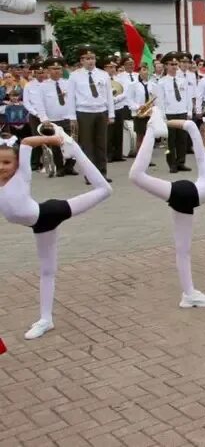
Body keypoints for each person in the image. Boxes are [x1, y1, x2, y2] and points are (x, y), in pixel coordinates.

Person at [129, 105, 205, 307]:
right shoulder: (202, 153)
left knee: (183, 250)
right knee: (136, 176)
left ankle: (188, 294)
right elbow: (191, 125)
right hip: (186, 193)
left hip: (188, 201)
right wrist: (161, 122)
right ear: (203, 141)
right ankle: (151, 128)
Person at [0, 125, 112, 339]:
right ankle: (46, 319)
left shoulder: (22, 175)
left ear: (17, 164)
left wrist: (57, 139)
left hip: (50, 213)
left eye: (7, 162)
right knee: (47, 271)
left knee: (104, 190)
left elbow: (25, 143)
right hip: (39, 226)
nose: (2, 167)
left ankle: (74, 148)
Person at [67, 46, 114, 183]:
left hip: (101, 111)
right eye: (87, 58)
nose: (90, 61)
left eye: (92, 58)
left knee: (101, 144)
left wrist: (111, 114)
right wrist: (72, 117)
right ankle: (90, 175)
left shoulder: (103, 74)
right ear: (81, 60)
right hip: (84, 112)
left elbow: (109, 95)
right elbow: (71, 98)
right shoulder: (75, 76)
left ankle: (102, 173)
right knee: (87, 145)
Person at [37, 58, 77, 177]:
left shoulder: (68, 83)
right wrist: (44, 119)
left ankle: (70, 166)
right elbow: (40, 104)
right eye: (53, 69)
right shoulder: (43, 86)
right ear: (48, 70)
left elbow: (74, 100)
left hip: (68, 117)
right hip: (53, 119)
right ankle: (59, 167)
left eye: (59, 68)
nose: (56, 71)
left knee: (71, 142)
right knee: (56, 145)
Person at [156, 53, 192, 174]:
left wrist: (189, 111)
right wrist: (162, 116)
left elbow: (188, 97)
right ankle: (171, 164)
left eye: (176, 64)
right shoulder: (161, 82)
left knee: (182, 140)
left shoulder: (183, 81)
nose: (175, 67)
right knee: (169, 142)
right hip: (169, 114)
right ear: (166, 66)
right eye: (172, 64)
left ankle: (181, 162)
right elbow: (159, 101)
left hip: (182, 112)